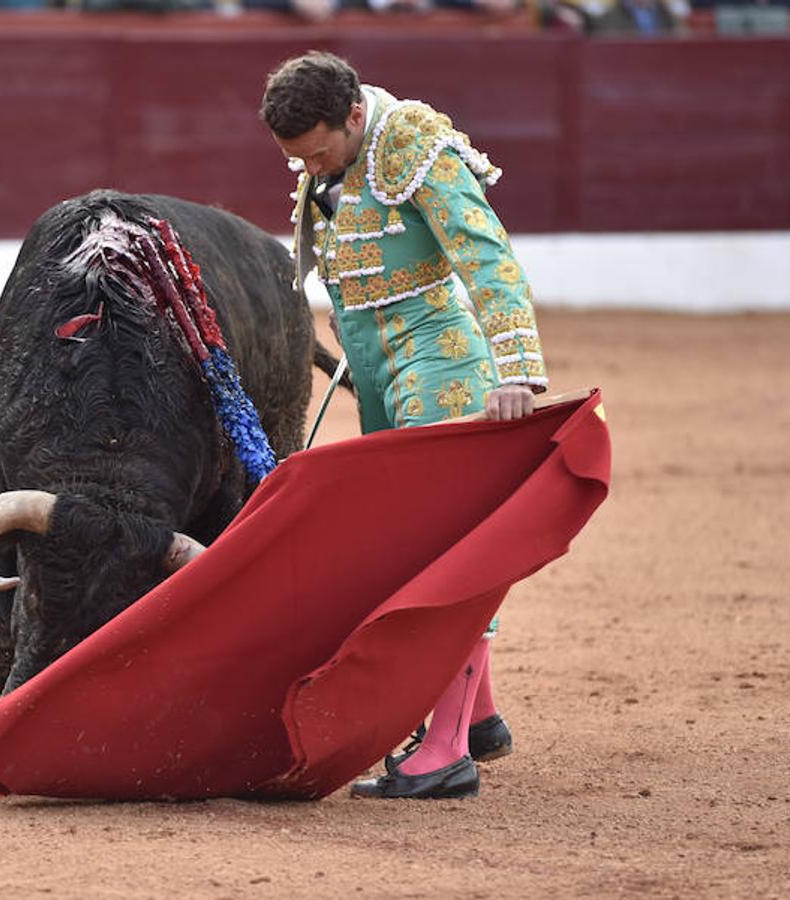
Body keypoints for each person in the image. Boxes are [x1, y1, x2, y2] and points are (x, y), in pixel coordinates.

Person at [260, 51, 547, 800]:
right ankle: (477, 717)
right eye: (300, 158)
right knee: (407, 537)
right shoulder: (330, 152)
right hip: (380, 366)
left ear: (354, 115)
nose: (312, 167)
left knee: (441, 550)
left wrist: (515, 366)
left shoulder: (412, 140)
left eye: (318, 152)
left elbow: (484, 254)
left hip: (440, 356)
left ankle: (446, 750)